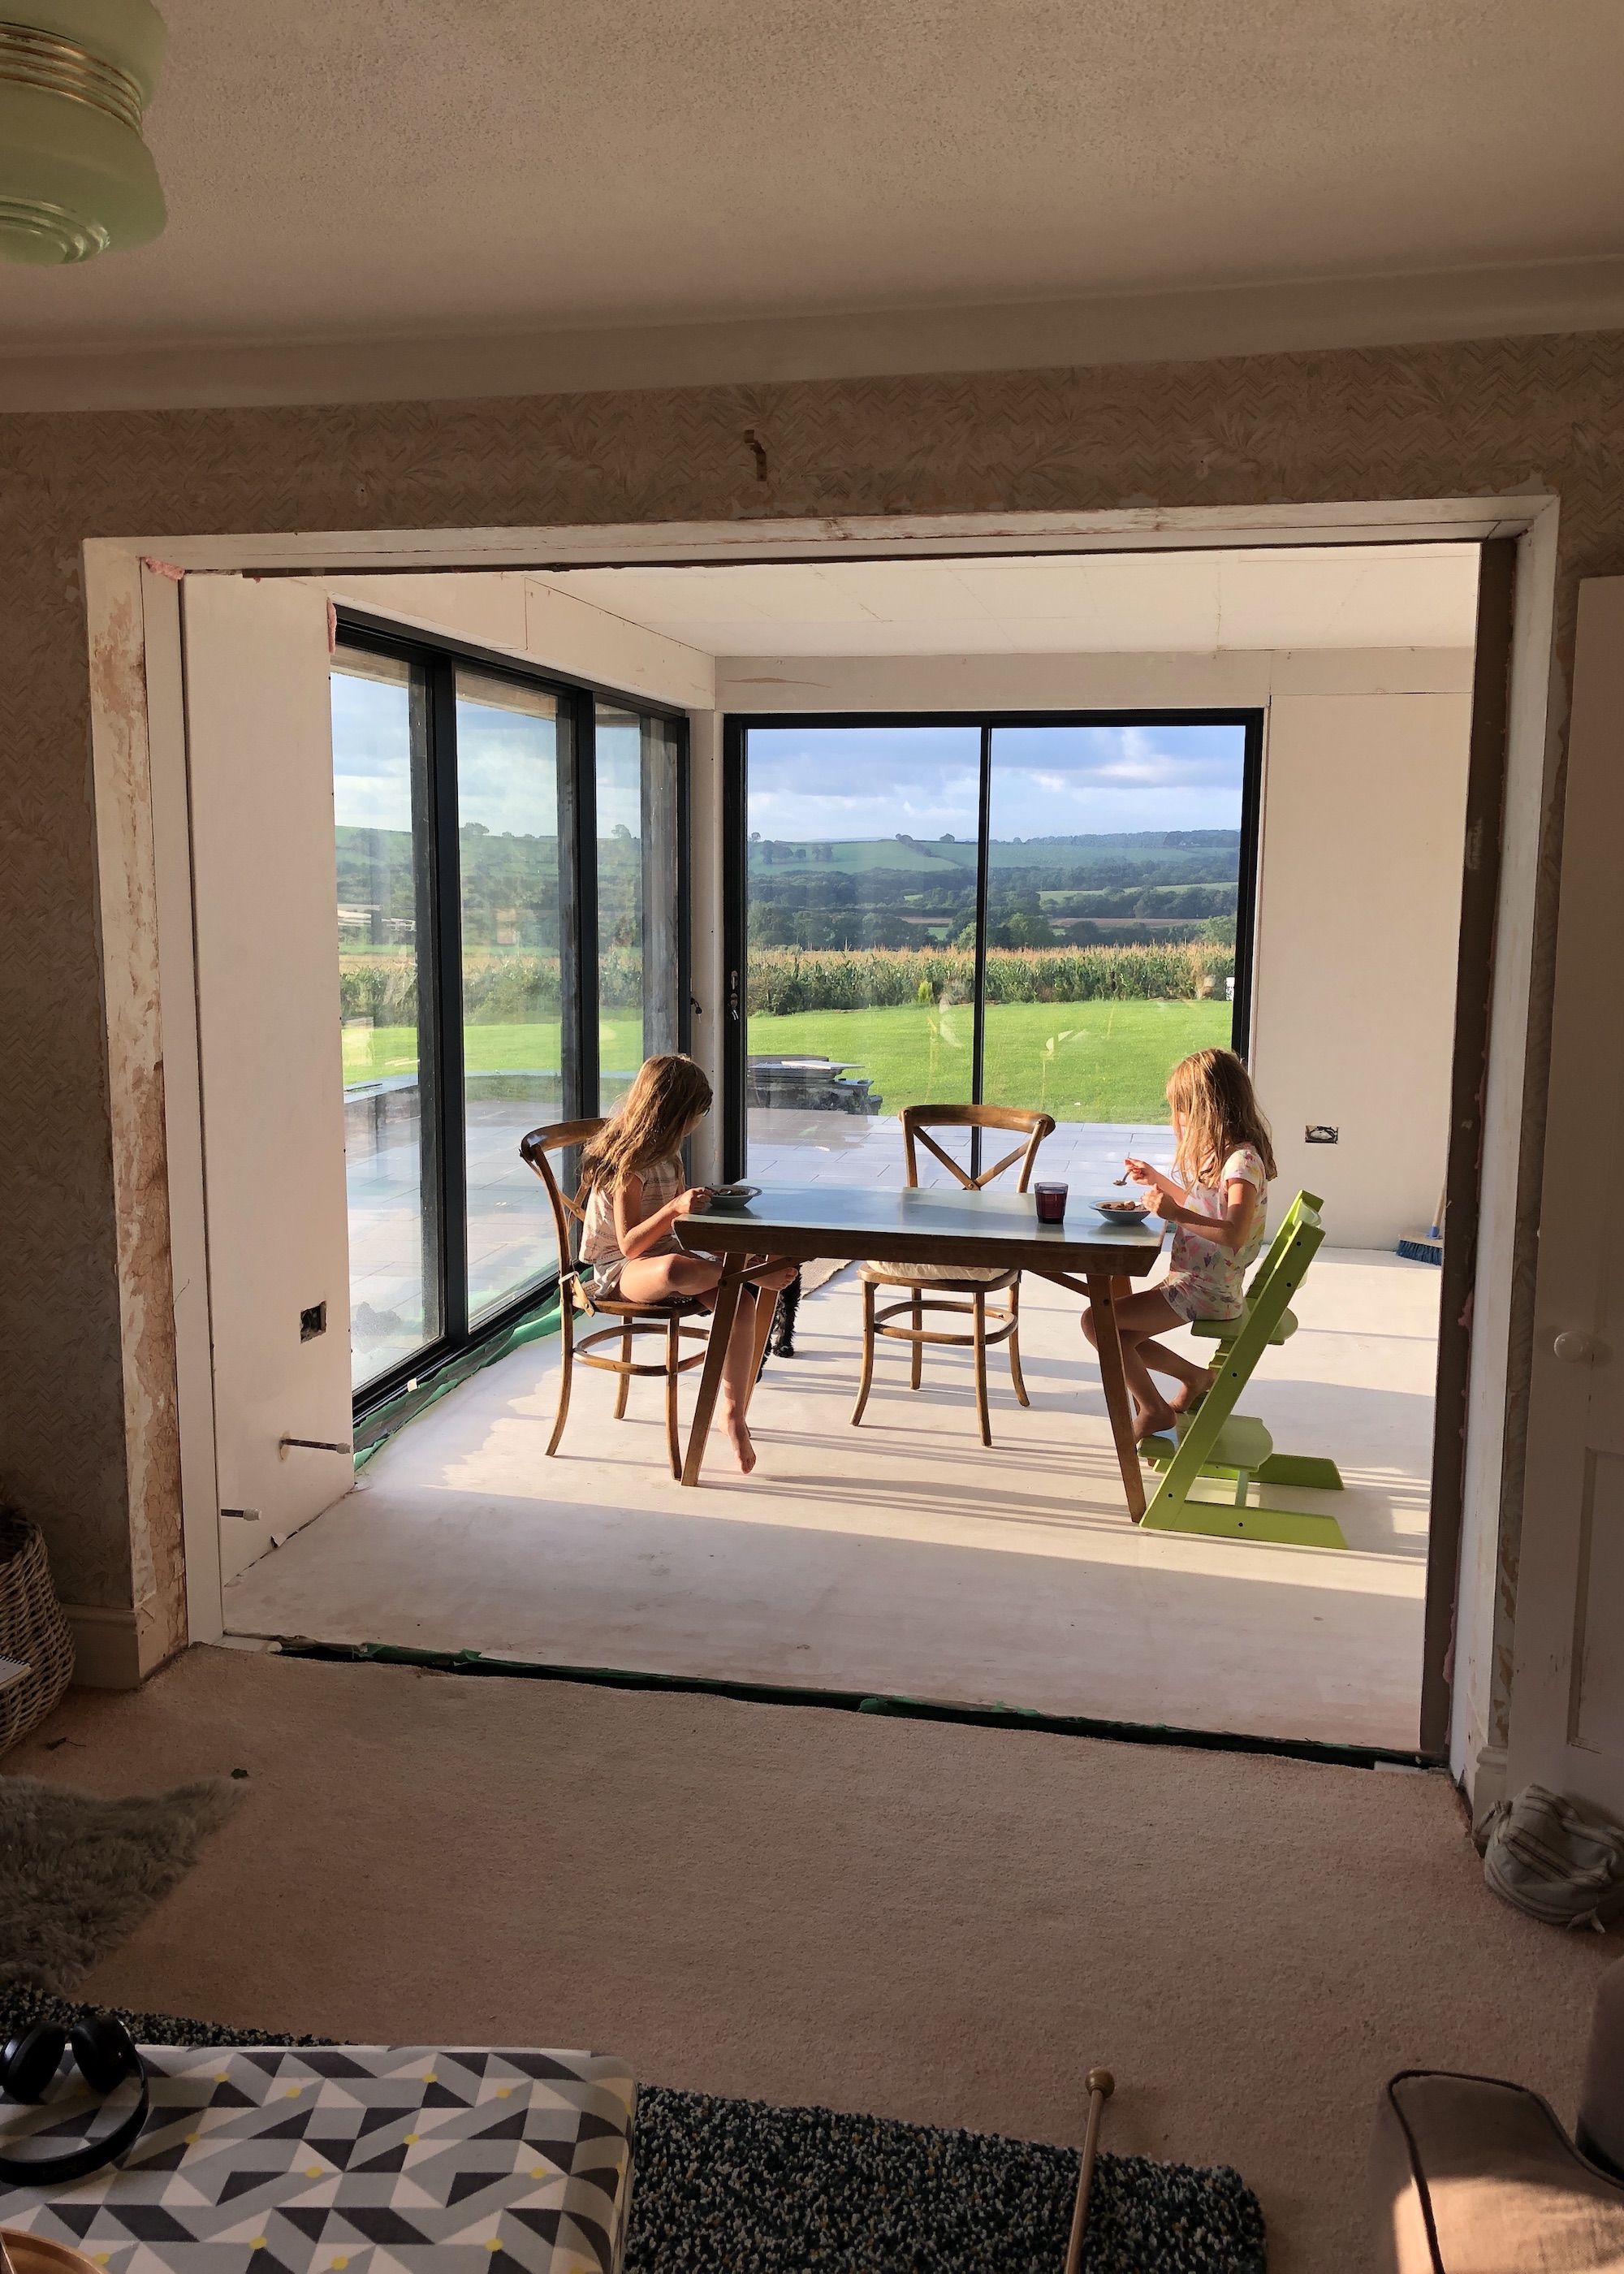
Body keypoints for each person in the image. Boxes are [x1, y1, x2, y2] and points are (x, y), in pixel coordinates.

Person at [577, 1053, 796, 1474]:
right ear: (674, 1112)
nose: (699, 1120)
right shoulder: (628, 1165)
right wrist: (676, 1208)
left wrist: (702, 1213)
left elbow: (680, 1233)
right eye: (698, 1112)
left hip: (669, 1255)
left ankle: (733, 1412)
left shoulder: (671, 1159)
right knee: (676, 1269)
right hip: (623, 1271)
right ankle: (752, 1273)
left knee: (739, 1303)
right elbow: (630, 1245)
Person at [1082, 1047, 1276, 1443]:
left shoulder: (1241, 1164)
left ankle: (1154, 1410)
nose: (1181, 1121)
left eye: (1184, 1111)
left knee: (1096, 1322)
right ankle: (1195, 1377)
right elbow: (1201, 1205)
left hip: (1205, 1290)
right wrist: (1157, 1182)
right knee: (1117, 1335)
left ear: (1210, 1109)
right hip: (1198, 1282)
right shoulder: (1224, 1156)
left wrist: (1174, 1214)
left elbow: (1233, 1233)